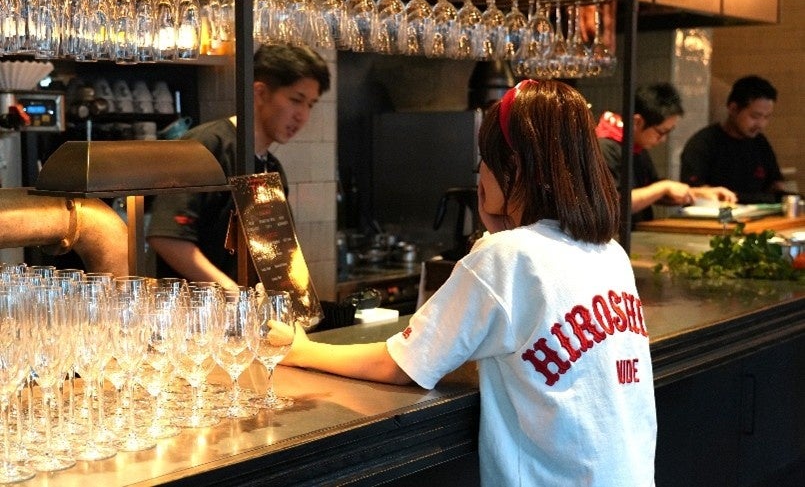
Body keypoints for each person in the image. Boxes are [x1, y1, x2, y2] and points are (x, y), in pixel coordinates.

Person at [280, 80, 657, 486]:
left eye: (484, 161)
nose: (479, 176)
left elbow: (403, 364)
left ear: (513, 167)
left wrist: (301, 350)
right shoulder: (610, 253)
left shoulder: (506, 256)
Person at [147, 44, 331, 290]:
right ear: (260, 93)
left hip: (248, 310)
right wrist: (233, 294)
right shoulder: (205, 146)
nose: (303, 116)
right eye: (296, 100)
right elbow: (167, 237)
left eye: (310, 104)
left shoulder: (271, 167)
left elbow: (275, 257)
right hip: (194, 310)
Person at [596, 83, 736, 224]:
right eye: (661, 132)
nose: (663, 139)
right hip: (615, 236)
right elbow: (613, 204)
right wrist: (663, 188)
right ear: (637, 122)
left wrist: (698, 193)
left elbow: (650, 191)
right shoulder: (604, 148)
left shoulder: (636, 147)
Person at [680, 75, 787, 203]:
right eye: (755, 116)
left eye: (767, 117)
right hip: (720, 212)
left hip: (758, 213)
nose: (761, 124)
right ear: (733, 109)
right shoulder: (703, 143)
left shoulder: (760, 142)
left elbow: (775, 183)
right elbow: (693, 191)